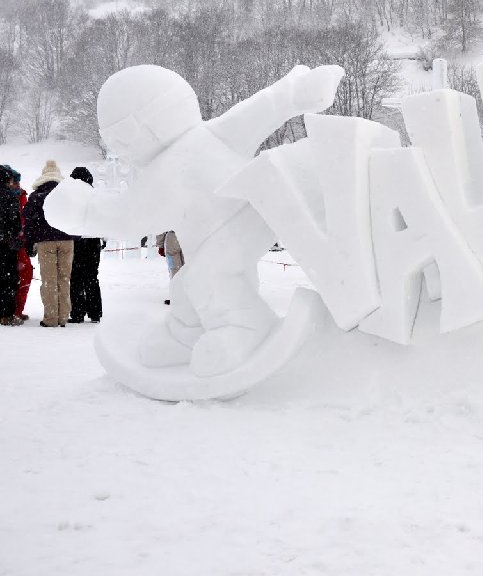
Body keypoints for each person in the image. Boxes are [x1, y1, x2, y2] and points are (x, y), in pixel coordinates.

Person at [44, 63, 343, 375]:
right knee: (189, 283)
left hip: (243, 218)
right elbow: (262, 109)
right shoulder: (212, 134)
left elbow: (127, 219)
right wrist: (295, 92)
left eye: (121, 140)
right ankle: (188, 334)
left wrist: (84, 211)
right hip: (247, 217)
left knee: (206, 276)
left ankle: (243, 328)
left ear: (147, 125)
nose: (119, 150)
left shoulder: (165, 172)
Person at [23, 160, 75, 328]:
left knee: (49, 280)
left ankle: (51, 318)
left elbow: (29, 222)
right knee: (64, 279)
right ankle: (64, 316)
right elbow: (77, 216)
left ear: (43, 175)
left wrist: (30, 242)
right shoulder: (67, 194)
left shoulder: (36, 196)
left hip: (45, 242)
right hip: (67, 240)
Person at [67, 167, 104, 324]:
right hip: (93, 241)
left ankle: (77, 313)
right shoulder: (96, 196)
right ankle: (95, 313)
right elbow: (104, 218)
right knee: (92, 277)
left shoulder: (72, 198)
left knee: (75, 277)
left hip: (76, 241)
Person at [0, 164, 23, 326]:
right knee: (9, 278)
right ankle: (6, 314)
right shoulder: (10, 197)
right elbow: (16, 223)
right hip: (6, 244)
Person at [9, 167, 32, 321]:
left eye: (17, 181)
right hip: (9, 241)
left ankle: (17, 309)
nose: (16, 184)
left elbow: (27, 219)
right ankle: (10, 310)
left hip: (20, 242)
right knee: (10, 276)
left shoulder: (22, 196)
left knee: (25, 274)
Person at [155, 230, 183, 305]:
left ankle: (177, 297)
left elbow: (161, 227)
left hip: (172, 238)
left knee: (174, 268)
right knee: (188, 266)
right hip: (188, 235)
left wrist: (160, 245)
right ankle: (190, 296)